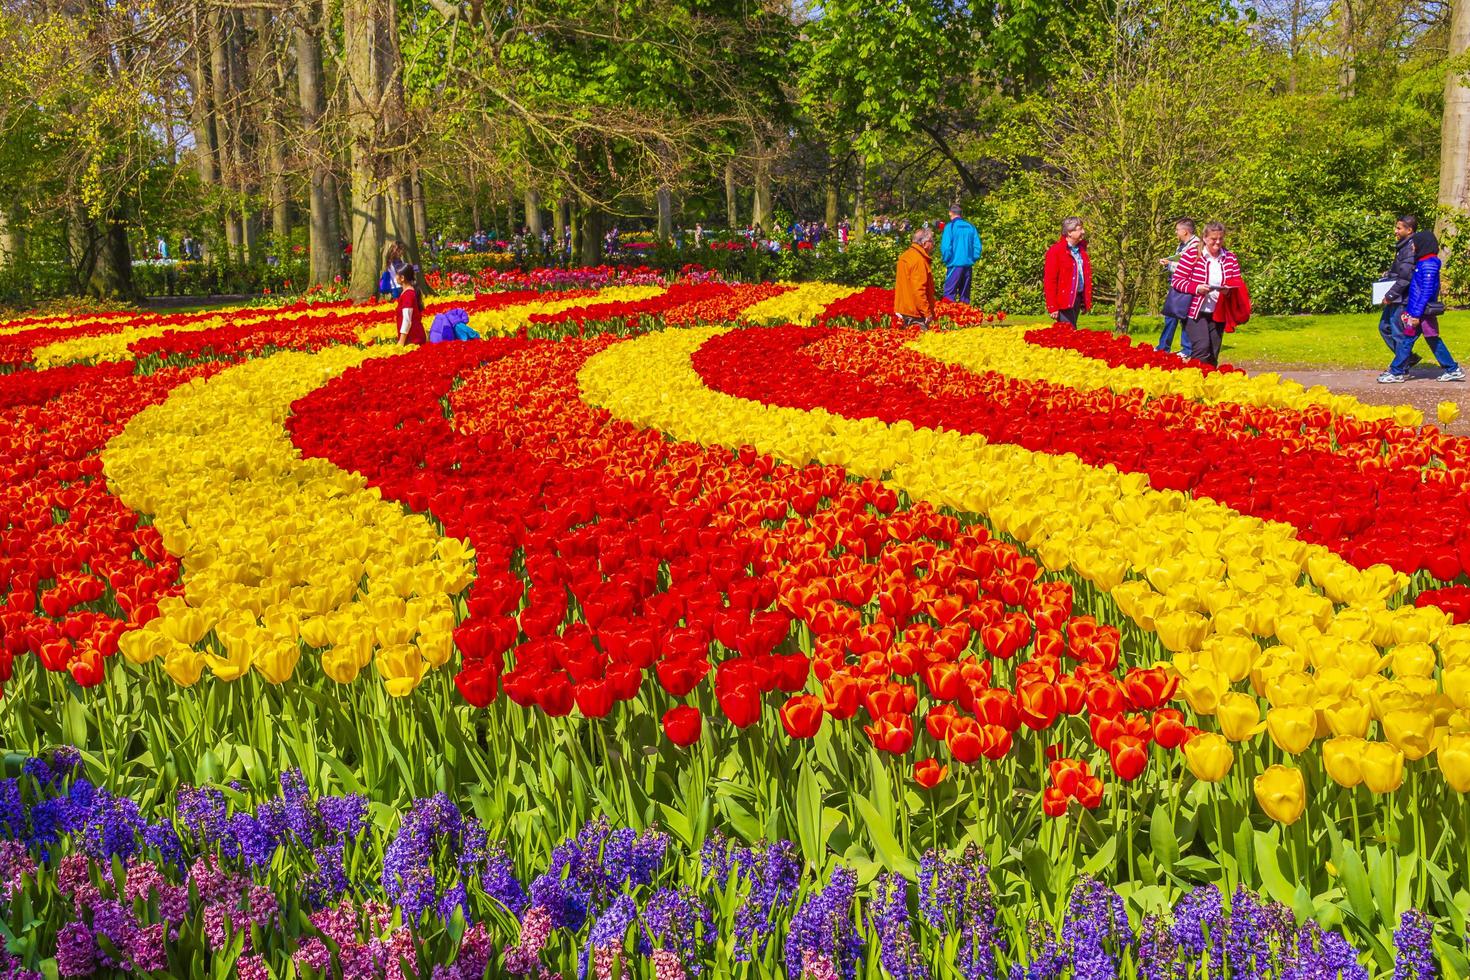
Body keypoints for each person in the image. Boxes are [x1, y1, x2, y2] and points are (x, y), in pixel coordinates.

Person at [1379, 230, 1464, 383]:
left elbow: (1425, 292)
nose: (1412, 248)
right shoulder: (1423, 262)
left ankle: (1397, 371)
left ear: (1423, 245)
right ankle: (1452, 368)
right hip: (1418, 310)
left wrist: (1415, 314)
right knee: (1420, 339)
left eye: (1415, 244)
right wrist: (1410, 311)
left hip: (1422, 312)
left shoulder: (1428, 265)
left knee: (1412, 339)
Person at [1170, 221, 1246, 366]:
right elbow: (1177, 281)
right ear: (1204, 238)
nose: (1217, 242)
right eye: (1213, 239)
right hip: (1194, 311)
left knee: (1213, 352)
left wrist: (1228, 289)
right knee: (1201, 349)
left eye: (1221, 239)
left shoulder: (1230, 258)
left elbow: (1237, 282)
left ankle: (1210, 385)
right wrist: (1196, 288)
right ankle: (1194, 382)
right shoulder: (1192, 254)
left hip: (1218, 311)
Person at [1378, 215, 1420, 366]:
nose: (1395, 231)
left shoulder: (1410, 249)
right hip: (1396, 296)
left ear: (1409, 230)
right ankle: (1407, 358)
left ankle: (1400, 367)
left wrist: (1390, 295)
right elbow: (1400, 272)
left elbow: (1405, 278)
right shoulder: (1403, 247)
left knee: (1398, 332)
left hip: (1402, 298)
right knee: (1384, 327)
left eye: (1398, 228)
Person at [1157, 218, 1199, 357]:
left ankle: (1186, 349)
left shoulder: (1195, 246)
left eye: (1177, 230)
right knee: (1171, 315)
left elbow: (1187, 266)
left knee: (1183, 317)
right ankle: (1164, 347)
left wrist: (1168, 264)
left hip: (1187, 286)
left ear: (1185, 231)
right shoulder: (1182, 245)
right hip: (1176, 284)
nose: (1176, 232)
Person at [1043, 217, 1092, 326]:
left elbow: (1084, 277)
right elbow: (1050, 281)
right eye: (1080, 229)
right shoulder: (1056, 251)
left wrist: (1084, 301)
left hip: (1077, 299)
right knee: (1068, 335)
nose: (1083, 232)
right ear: (1069, 232)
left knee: (1071, 334)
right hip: (1063, 301)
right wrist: (1052, 306)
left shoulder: (1082, 251)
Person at [939, 204, 982, 305]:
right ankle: (965, 318)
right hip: (967, 265)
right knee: (965, 295)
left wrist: (947, 259)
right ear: (961, 213)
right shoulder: (971, 227)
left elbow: (946, 247)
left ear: (950, 213)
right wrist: (971, 258)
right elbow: (977, 247)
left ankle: (949, 318)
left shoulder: (950, 227)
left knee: (949, 294)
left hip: (954, 264)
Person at [894, 228, 937, 327]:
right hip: (915, 312)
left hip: (905, 308)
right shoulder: (919, 260)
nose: (933, 245)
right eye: (932, 241)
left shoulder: (906, 256)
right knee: (922, 340)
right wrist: (927, 312)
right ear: (925, 243)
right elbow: (919, 290)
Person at [395, 264, 426, 346]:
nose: (395, 277)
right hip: (412, 337)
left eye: (396, 275)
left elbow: (407, 319)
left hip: (413, 339)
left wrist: (401, 341)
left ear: (402, 278)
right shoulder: (407, 292)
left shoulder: (408, 294)